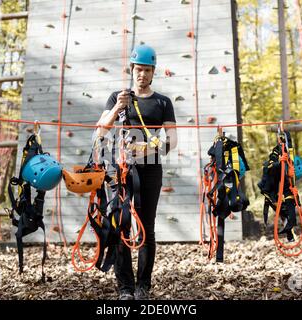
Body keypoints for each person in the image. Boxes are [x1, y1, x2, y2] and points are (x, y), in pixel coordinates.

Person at [96, 44, 177, 300]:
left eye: (146, 70)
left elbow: (172, 140)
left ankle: (143, 286)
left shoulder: (163, 102)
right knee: (121, 226)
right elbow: (101, 131)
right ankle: (125, 288)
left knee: (146, 229)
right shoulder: (117, 97)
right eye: (137, 69)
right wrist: (117, 109)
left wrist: (150, 148)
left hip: (151, 170)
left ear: (153, 72)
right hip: (122, 172)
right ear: (132, 70)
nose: (141, 74)